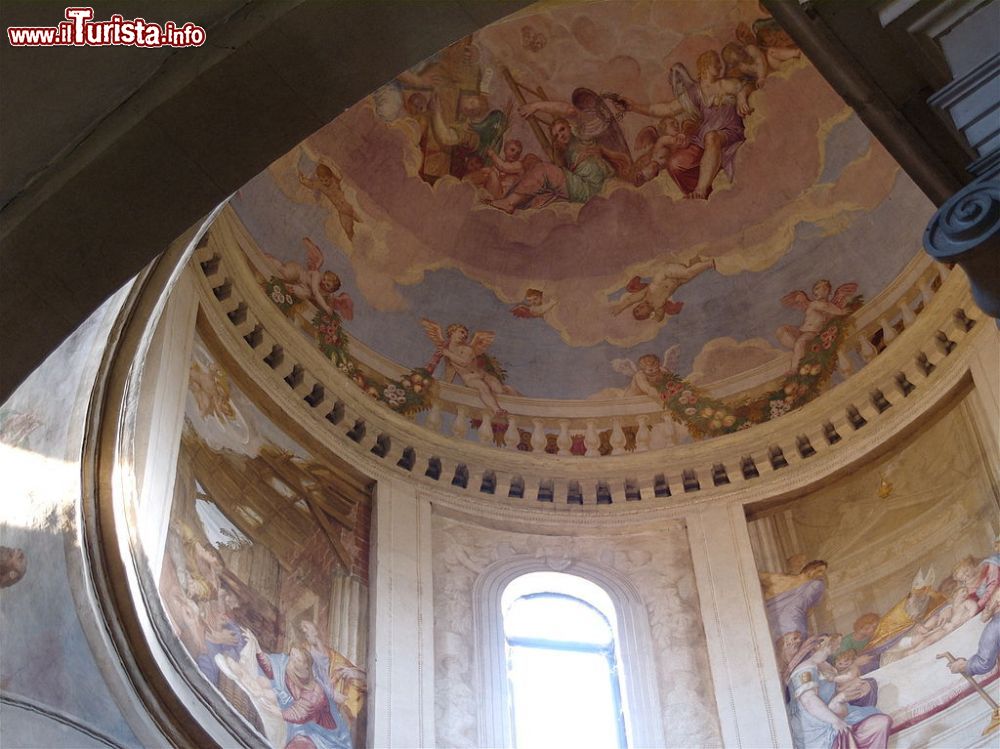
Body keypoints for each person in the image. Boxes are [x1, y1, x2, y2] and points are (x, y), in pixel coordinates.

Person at [626, 50, 754, 199]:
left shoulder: (725, 84)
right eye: (716, 62)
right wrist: (634, 107)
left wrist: (742, 96)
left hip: (730, 132)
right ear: (705, 65)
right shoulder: (695, 92)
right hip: (702, 139)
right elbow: (668, 108)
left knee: (711, 137)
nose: (720, 65)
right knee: (675, 164)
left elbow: (748, 85)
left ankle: (701, 189)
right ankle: (704, 192)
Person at [488, 95, 631, 213]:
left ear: (570, 127)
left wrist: (536, 106)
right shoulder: (566, 152)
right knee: (536, 166)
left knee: (544, 170)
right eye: (556, 136)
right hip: (581, 186)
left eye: (562, 129)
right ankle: (510, 201)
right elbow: (559, 176)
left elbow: (569, 110)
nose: (560, 135)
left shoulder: (582, 134)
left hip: (590, 187)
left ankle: (508, 202)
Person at [244, 628, 353, 749]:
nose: (291, 659)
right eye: (292, 656)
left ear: (305, 666)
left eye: (297, 659)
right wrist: (257, 648)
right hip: (295, 717)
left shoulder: (315, 693)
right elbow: (271, 667)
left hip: (317, 732)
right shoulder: (287, 663)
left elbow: (298, 714)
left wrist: (278, 712)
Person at [786, 635, 891, 749]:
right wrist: (835, 721)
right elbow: (809, 700)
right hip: (818, 728)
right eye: (835, 643)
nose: (838, 646)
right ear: (820, 645)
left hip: (835, 714)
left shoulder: (824, 665)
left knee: (881, 720)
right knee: (880, 723)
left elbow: (834, 689)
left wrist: (852, 687)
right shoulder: (805, 669)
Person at [420, 320, 514, 417]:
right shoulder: (446, 350)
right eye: (461, 332)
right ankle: (497, 410)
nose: (464, 335)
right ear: (452, 332)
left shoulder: (467, 349)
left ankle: (513, 394)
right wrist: (447, 384)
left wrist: (448, 353)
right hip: (470, 378)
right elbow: (450, 368)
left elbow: (464, 362)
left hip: (483, 375)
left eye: (466, 334)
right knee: (482, 387)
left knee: (500, 390)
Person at [299, 620, 367, 747]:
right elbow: (309, 677)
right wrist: (332, 694)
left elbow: (362, 679)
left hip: (336, 707)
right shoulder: (305, 652)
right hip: (319, 704)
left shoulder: (332, 655)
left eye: (307, 628)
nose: (305, 632)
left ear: (316, 630)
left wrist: (352, 673)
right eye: (303, 630)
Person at [777, 280, 858, 374]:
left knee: (800, 342)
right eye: (814, 289)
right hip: (802, 330)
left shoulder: (828, 305)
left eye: (817, 288)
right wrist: (841, 312)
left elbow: (827, 309)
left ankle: (794, 368)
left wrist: (841, 311)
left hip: (812, 333)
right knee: (783, 330)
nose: (815, 292)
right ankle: (801, 352)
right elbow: (826, 308)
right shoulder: (814, 304)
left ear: (826, 290)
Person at [612, 257, 715, 322]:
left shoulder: (646, 295)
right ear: (647, 314)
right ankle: (697, 259)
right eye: (640, 311)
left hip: (666, 273)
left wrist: (620, 308)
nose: (639, 307)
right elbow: (659, 318)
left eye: (637, 308)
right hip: (676, 281)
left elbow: (630, 300)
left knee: (688, 273)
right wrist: (654, 317)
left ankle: (709, 263)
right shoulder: (658, 307)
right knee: (689, 275)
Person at [764, 560, 829, 640]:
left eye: (823, 572)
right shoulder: (785, 580)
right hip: (779, 621)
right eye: (819, 570)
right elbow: (760, 577)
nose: (821, 574)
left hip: (796, 626)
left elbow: (809, 611)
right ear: (810, 569)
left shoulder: (813, 587)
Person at [298, 164, 361, 241]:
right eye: (321, 180)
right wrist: (302, 179)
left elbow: (338, 172)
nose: (324, 182)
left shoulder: (336, 180)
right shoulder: (320, 184)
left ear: (330, 177)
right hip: (341, 211)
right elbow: (310, 184)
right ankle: (357, 246)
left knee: (362, 221)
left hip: (349, 206)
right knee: (348, 230)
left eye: (326, 180)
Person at [948, 586, 1000, 677]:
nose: (987, 604)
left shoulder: (994, 626)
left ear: (997, 603)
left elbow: (984, 663)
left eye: (990, 600)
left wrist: (962, 666)